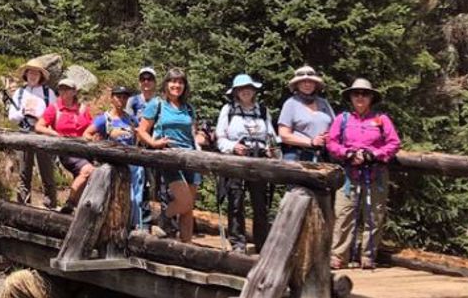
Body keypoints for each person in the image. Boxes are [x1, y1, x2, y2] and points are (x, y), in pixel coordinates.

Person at [325, 78, 402, 270]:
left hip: (375, 172)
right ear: (350, 97)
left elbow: (394, 143)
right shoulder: (342, 119)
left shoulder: (382, 120)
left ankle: (368, 255)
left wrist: (374, 154)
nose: (360, 97)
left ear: (371, 97)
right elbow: (331, 143)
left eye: (365, 94)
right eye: (356, 94)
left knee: (374, 214)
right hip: (349, 173)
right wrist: (347, 153)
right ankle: (338, 256)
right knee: (344, 213)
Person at [136, 69, 208, 242]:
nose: (177, 85)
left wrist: (201, 137)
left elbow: (193, 132)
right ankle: (164, 219)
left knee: (188, 209)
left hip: (191, 158)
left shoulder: (188, 108)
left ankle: (186, 248)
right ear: (166, 84)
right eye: (173, 82)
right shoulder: (157, 104)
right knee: (184, 202)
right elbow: (141, 130)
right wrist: (154, 143)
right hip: (169, 156)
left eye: (180, 82)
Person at [215, 74, 278, 252]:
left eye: (249, 88)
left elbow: (271, 137)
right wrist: (233, 147)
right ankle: (237, 242)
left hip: (259, 160)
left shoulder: (263, 111)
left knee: (260, 203)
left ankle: (262, 243)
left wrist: (270, 150)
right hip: (236, 160)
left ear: (254, 90)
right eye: (241, 88)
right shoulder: (228, 110)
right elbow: (220, 137)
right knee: (236, 201)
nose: (246, 91)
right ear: (235, 92)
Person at [90, 85, 145, 229]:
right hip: (111, 163)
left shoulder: (131, 120)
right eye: (118, 96)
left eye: (125, 97)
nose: (122, 100)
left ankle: (133, 225)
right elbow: (87, 134)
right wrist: (99, 145)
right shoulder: (104, 119)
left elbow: (140, 136)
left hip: (130, 163)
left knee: (134, 196)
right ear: (112, 98)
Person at [6, 56, 59, 206]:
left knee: (47, 172)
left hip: (43, 134)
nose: (33, 76)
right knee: (24, 172)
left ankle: (50, 205)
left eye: (36, 73)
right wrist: (23, 112)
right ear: (26, 74)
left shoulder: (49, 93)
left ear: (41, 76)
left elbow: (55, 115)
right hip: (24, 132)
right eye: (31, 73)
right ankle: (23, 204)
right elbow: (12, 116)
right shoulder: (20, 93)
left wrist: (41, 117)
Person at [38, 79, 97, 212]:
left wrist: (92, 136)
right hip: (67, 150)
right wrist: (53, 133)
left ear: (74, 91)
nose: (63, 92)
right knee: (88, 170)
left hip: (85, 150)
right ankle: (69, 203)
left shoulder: (82, 109)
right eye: (61, 89)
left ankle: (79, 210)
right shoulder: (54, 108)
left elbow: (92, 127)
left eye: (67, 89)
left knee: (87, 176)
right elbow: (39, 126)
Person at [277, 65, 335, 164]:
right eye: (303, 81)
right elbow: (284, 135)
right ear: (297, 84)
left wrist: (328, 136)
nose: (307, 84)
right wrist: (311, 142)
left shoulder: (324, 103)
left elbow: (335, 126)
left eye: (310, 81)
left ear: (315, 84)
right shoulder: (291, 104)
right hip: (298, 156)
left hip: (323, 155)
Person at [129, 67, 159, 227]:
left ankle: (161, 222)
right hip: (138, 147)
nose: (146, 82)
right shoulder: (133, 101)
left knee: (157, 184)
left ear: (155, 82)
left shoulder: (159, 101)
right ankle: (142, 222)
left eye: (149, 79)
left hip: (156, 147)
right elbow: (127, 119)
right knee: (141, 183)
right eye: (143, 79)